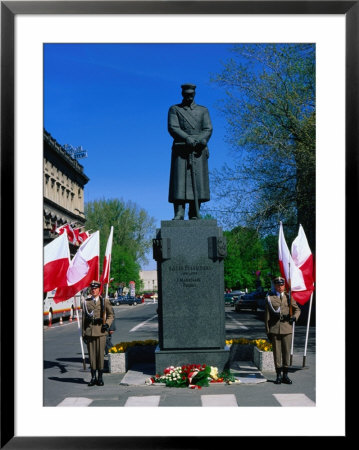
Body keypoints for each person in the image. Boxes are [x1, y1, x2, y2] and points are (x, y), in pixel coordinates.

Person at [168, 83, 213, 220]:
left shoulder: (203, 110)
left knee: (198, 182)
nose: (189, 97)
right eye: (186, 95)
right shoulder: (175, 109)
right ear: (182, 94)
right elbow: (173, 127)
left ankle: (194, 212)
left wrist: (199, 140)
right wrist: (187, 138)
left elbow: (208, 129)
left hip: (198, 150)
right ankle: (179, 212)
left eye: (191, 95)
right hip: (181, 150)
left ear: (194, 94)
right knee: (179, 182)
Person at [265, 276, 301, 384]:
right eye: (278, 285)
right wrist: (268, 331)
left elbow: (297, 309)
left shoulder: (288, 297)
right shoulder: (270, 298)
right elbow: (267, 316)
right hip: (275, 329)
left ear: (284, 286)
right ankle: (278, 376)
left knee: (286, 352)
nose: (280, 287)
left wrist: (294, 317)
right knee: (277, 353)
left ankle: (285, 375)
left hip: (287, 328)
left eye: (282, 285)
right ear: (275, 286)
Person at [82, 280, 114, 386]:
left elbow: (111, 315)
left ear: (99, 290)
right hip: (90, 332)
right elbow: (84, 319)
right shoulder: (86, 302)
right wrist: (84, 334)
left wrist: (107, 324)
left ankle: (100, 378)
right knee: (92, 356)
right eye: (92, 289)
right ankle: (93, 377)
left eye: (95, 289)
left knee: (100, 355)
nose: (93, 290)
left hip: (101, 332)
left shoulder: (104, 301)